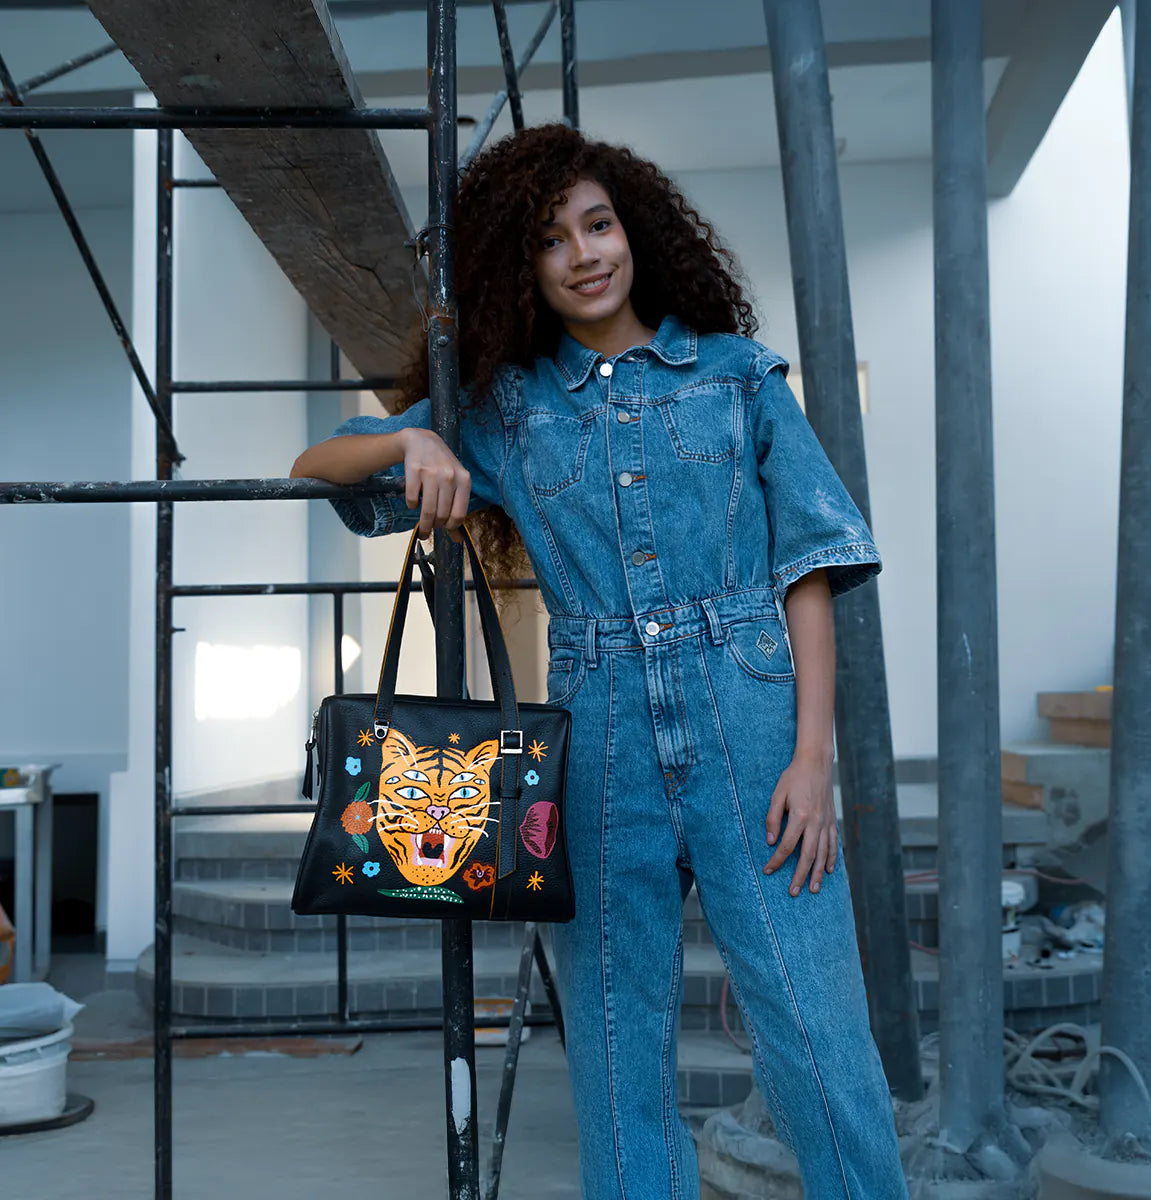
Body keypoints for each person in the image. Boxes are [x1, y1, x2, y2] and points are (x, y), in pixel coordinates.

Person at [291, 123, 908, 1200]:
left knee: (820, 1042)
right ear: (518, 268)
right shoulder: (506, 410)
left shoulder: (737, 376)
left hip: (752, 723)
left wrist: (814, 762)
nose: (583, 254)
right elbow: (318, 465)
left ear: (636, 231)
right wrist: (412, 440)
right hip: (600, 738)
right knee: (618, 1057)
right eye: (550, 239)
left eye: (598, 224)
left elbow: (809, 570)